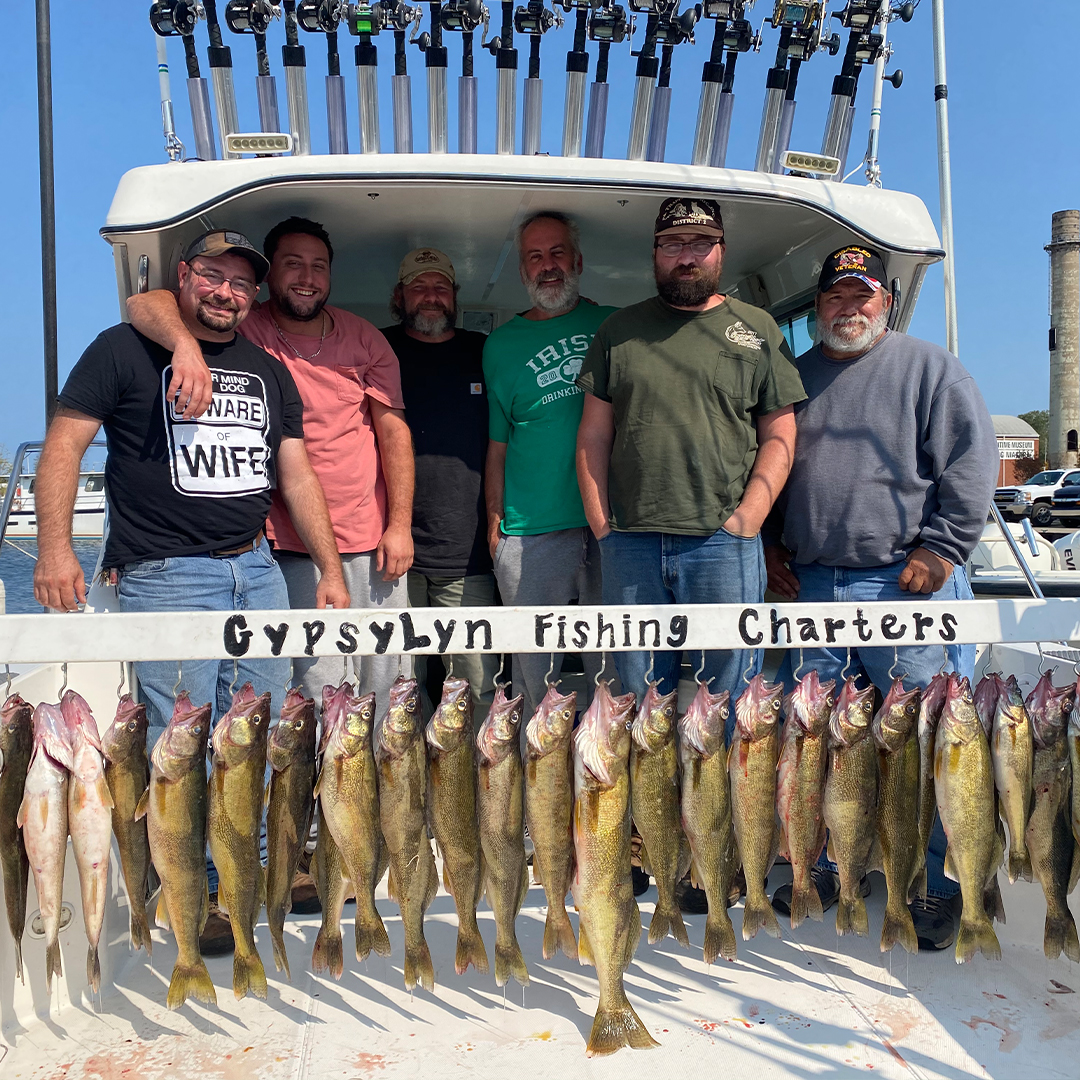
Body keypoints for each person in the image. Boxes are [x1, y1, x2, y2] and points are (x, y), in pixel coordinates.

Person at [33, 229, 349, 951]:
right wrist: (55, 549)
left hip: (260, 568)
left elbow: (295, 475)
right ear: (185, 276)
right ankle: (196, 886)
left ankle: (265, 867)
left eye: (241, 284)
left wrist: (328, 569)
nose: (225, 292)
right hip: (166, 574)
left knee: (264, 733)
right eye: (212, 275)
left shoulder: (270, 372)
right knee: (185, 741)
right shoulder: (123, 348)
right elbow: (63, 445)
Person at [763, 243, 998, 949]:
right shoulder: (792, 378)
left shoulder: (932, 369)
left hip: (901, 582)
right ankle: (831, 864)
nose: (848, 308)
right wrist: (771, 543)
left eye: (861, 296)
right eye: (835, 297)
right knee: (821, 746)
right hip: (810, 583)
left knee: (925, 746)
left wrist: (942, 547)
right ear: (816, 309)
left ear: (885, 303)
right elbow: (766, 466)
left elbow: (972, 463)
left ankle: (934, 884)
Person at [127, 217, 415, 712]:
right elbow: (141, 303)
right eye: (293, 264)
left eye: (318, 266)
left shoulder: (365, 338)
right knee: (317, 689)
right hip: (286, 548)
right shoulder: (244, 322)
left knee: (389, 688)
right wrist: (186, 346)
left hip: (373, 546)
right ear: (268, 279)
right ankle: (326, 792)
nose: (307, 276)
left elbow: (393, 432)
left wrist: (401, 526)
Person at [576, 197, 804, 717]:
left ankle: (721, 800)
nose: (686, 256)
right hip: (629, 541)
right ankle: (641, 801)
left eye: (700, 244)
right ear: (655, 253)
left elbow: (780, 433)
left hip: (725, 545)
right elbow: (593, 436)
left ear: (720, 252)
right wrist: (601, 525)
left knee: (732, 695)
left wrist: (747, 521)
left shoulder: (758, 329)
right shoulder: (617, 331)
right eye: (673, 244)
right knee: (636, 695)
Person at [482, 211, 619, 725]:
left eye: (558, 253)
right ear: (522, 271)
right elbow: (499, 444)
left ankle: (611, 800)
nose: (548, 266)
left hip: (611, 527)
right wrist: (494, 520)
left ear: (578, 261)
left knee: (617, 674)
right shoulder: (500, 346)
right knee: (532, 682)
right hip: (530, 531)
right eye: (535, 257)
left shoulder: (615, 324)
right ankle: (532, 800)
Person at [382, 248, 499, 715]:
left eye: (440, 287)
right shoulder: (376, 349)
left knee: (473, 688)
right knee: (393, 689)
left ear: (454, 296)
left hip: (467, 550)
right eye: (418, 287)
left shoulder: (484, 352)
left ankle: (472, 787)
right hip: (389, 551)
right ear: (399, 295)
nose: (431, 297)